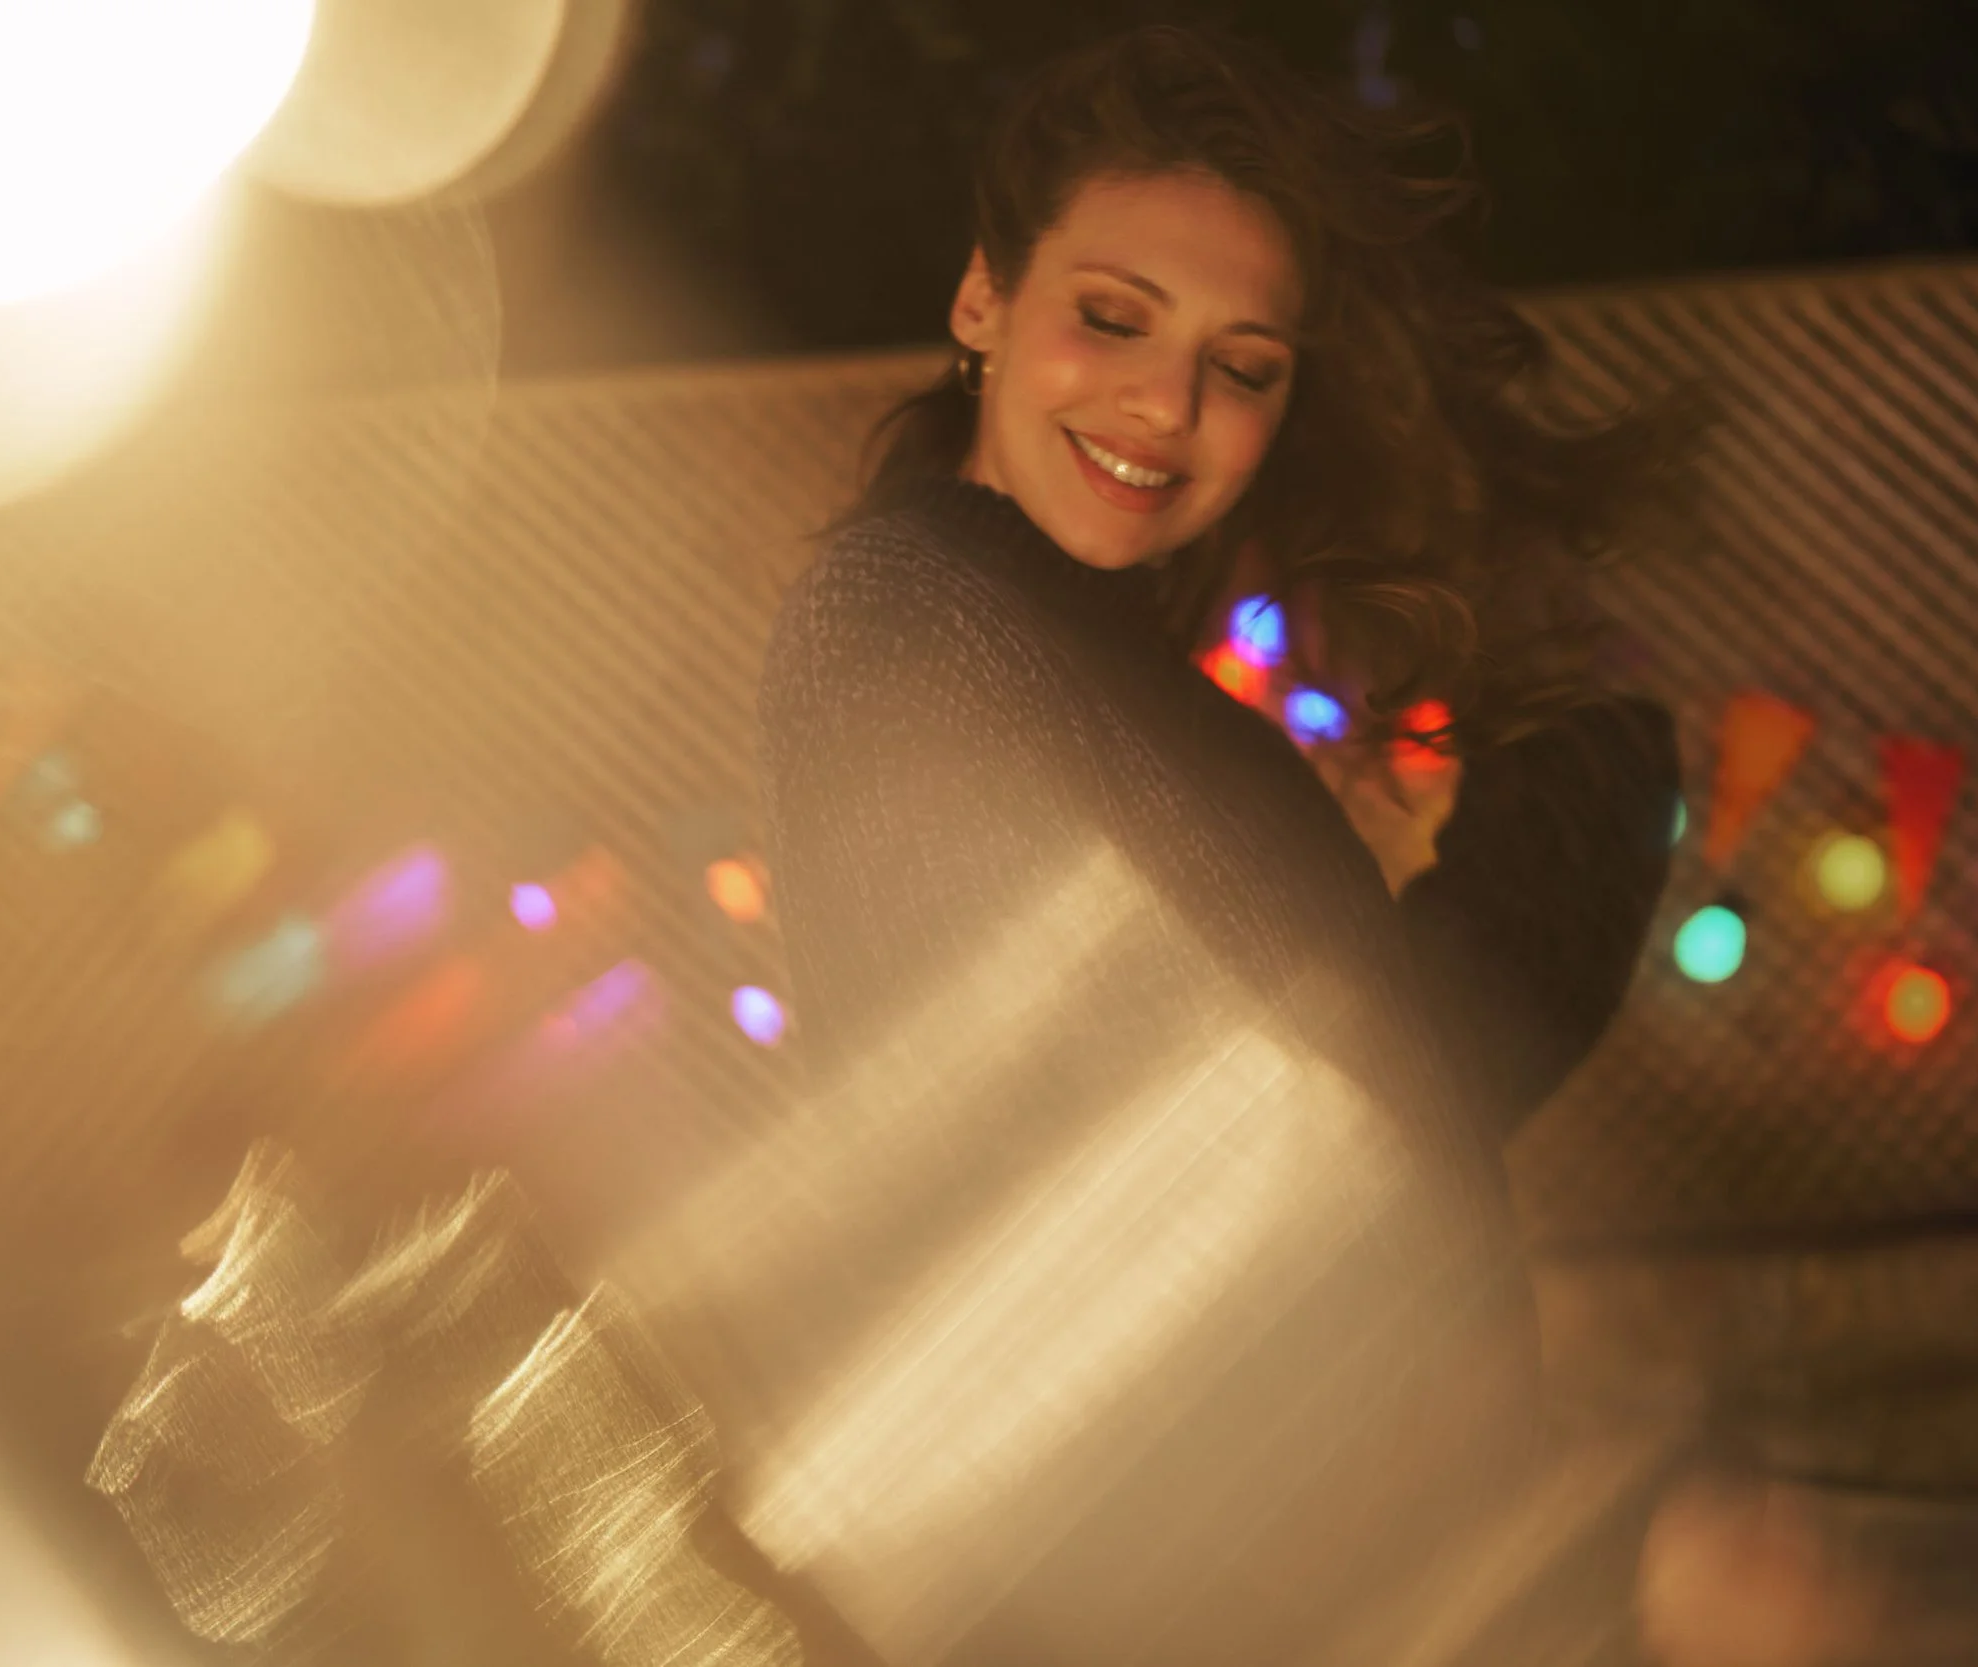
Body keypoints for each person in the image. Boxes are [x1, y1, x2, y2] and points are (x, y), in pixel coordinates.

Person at [741, 23, 1684, 1667]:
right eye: (1113, 318)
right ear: (984, 301)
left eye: (1244, 366)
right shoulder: (917, 617)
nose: (1168, 403)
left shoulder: (1078, 665)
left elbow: (1356, 1098)